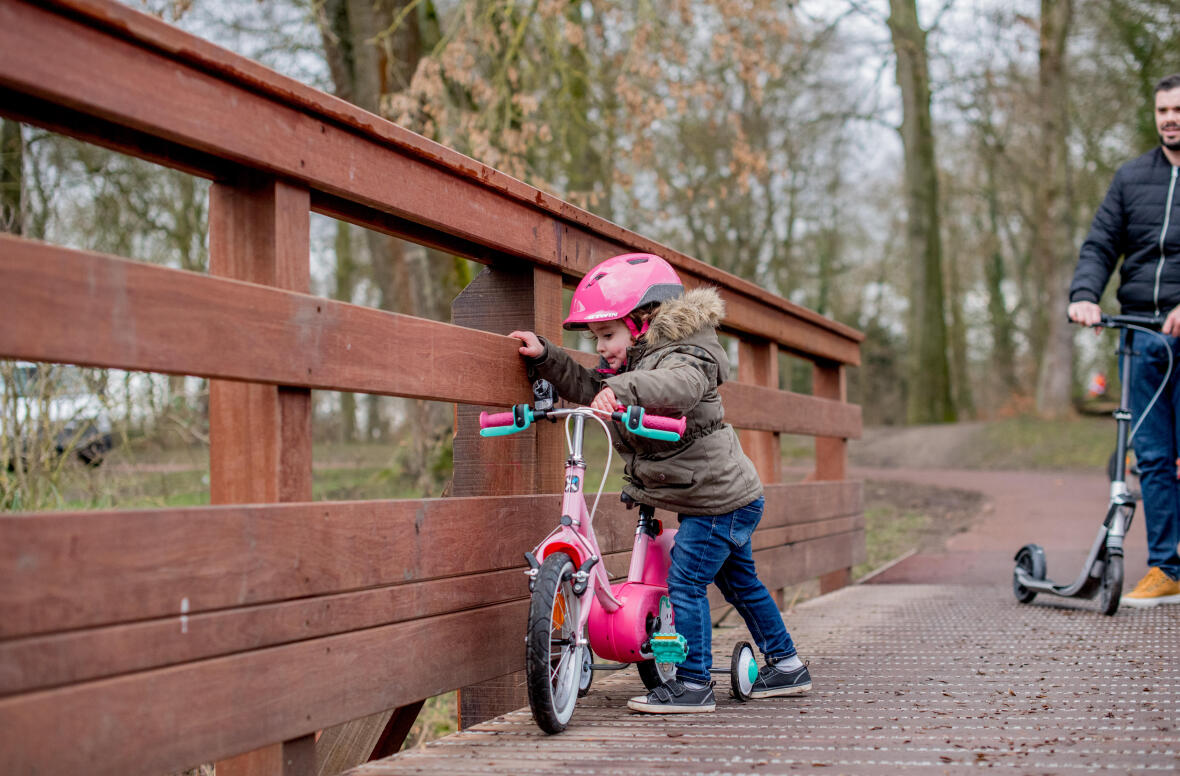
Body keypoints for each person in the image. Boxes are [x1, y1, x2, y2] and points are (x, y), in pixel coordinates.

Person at [509, 252, 810, 713]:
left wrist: (623, 390)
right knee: (740, 583)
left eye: (607, 335)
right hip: (718, 497)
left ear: (642, 322)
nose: (602, 348)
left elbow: (679, 387)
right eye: (597, 338)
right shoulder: (632, 362)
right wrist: (547, 357)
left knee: (685, 581)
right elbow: (591, 388)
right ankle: (787, 665)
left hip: (717, 499)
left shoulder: (690, 352)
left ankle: (693, 684)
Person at [1068, 73, 1180, 607]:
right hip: (1140, 334)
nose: (1170, 118)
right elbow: (1100, 244)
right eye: (1162, 111)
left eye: (1177, 109)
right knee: (1153, 456)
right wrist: (1085, 294)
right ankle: (1166, 568)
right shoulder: (1132, 177)